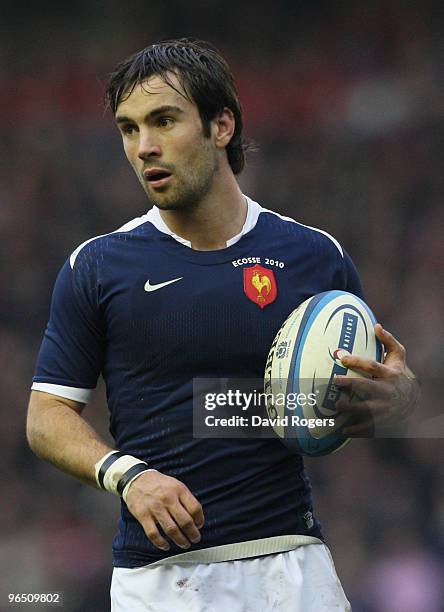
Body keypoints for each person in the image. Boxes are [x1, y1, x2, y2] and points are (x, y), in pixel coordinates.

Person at [27, 39, 419, 611]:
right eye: (129, 129)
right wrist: (129, 477)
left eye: (164, 121)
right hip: (160, 581)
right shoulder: (98, 266)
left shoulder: (314, 256)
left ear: (221, 126)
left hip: (293, 566)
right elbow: (45, 417)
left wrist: (398, 402)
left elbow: (370, 401)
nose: (145, 147)